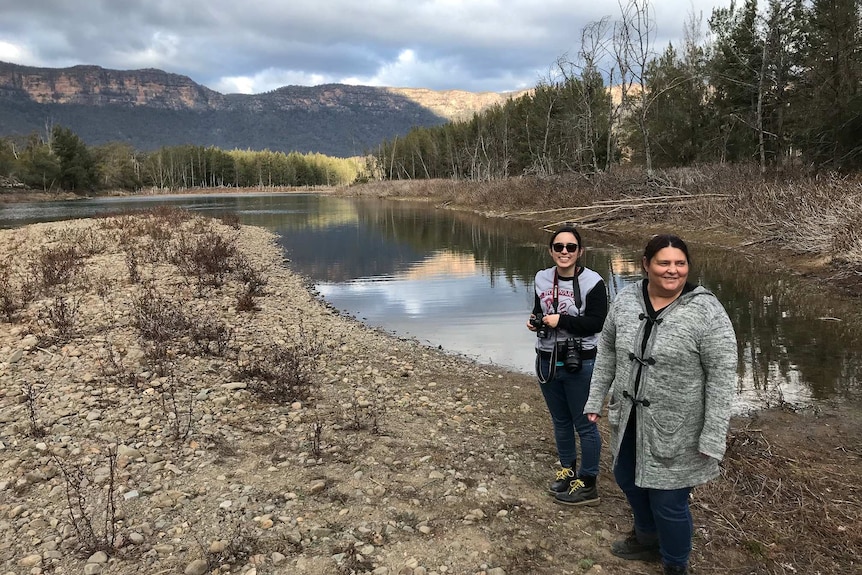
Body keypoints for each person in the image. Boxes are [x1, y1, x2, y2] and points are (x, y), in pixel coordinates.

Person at [584, 234, 738, 575]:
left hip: (680, 427)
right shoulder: (626, 300)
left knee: (669, 501)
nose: (673, 271)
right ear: (646, 264)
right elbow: (607, 350)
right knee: (627, 477)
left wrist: (713, 434)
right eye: (664, 263)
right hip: (628, 417)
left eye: (680, 263)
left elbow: (723, 376)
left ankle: (675, 564)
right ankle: (646, 539)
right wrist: (596, 398)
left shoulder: (707, 310)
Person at [527, 225, 607, 506]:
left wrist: (561, 321)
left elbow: (597, 323)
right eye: (559, 247)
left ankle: (588, 482)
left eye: (570, 247)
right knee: (560, 420)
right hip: (547, 358)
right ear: (551, 251)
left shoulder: (593, 282)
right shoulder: (541, 278)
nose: (564, 252)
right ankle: (567, 470)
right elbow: (540, 309)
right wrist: (535, 319)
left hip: (580, 361)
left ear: (580, 252)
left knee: (584, 424)